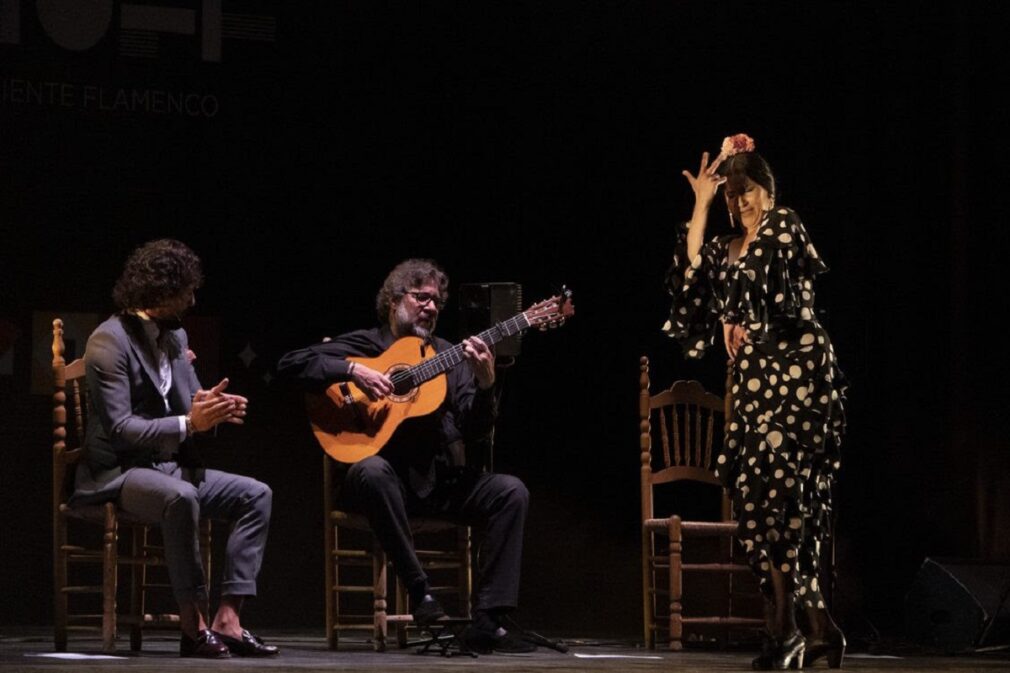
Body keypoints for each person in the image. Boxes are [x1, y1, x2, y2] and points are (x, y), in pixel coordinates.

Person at [277, 258, 535, 654]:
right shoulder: (366, 345)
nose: (431, 307)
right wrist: (352, 371)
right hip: (380, 484)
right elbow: (290, 364)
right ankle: (421, 594)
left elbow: (475, 429)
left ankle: (487, 619)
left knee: (510, 491)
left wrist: (485, 386)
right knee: (372, 471)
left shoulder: (449, 356)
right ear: (394, 300)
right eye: (421, 298)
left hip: (436, 481)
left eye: (436, 301)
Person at [663, 134, 847, 669]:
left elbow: (764, 281)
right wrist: (700, 201)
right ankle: (811, 629)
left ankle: (787, 629)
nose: (739, 202)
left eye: (747, 191)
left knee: (788, 503)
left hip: (796, 376)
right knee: (756, 509)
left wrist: (734, 313)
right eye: (731, 195)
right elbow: (695, 268)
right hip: (751, 387)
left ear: (767, 191)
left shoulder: (783, 226)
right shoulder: (727, 247)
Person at [70, 239, 278, 658]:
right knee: (181, 498)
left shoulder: (176, 335)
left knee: (257, 495)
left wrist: (212, 410)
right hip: (120, 471)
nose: (193, 298)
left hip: (169, 465)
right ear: (161, 291)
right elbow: (123, 429)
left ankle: (228, 619)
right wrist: (189, 423)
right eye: (186, 290)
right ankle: (193, 625)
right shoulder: (108, 342)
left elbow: (191, 403)